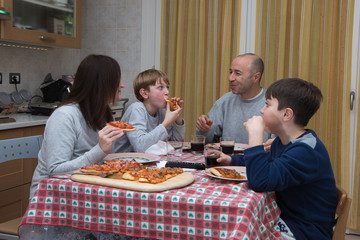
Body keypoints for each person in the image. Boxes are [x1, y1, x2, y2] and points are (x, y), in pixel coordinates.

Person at [215, 78, 337, 239]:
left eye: (267, 104)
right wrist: (231, 161)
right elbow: (268, 162)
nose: (261, 110)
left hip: (304, 230)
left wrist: (255, 135)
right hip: (288, 219)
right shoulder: (285, 141)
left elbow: (259, 181)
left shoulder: (306, 151)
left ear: (286, 114)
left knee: (238, 230)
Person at [30, 55, 125, 199]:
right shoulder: (64, 116)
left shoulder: (105, 113)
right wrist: (99, 151)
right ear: (101, 83)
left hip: (89, 186)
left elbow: (102, 160)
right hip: (52, 195)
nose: (122, 85)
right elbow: (55, 170)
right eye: (117, 79)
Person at [196, 53, 272, 144]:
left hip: (259, 157)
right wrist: (204, 130)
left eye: (237, 73)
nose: (230, 78)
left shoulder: (272, 104)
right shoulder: (224, 102)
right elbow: (208, 142)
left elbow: (276, 147)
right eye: (230, 72)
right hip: (227, 157)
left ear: (256, 77)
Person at [114, 69, 185, 152]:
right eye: (161, 87)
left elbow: (177, 143)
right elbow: (139, 146)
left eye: (167, 87)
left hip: (144, 160)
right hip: (121, 160)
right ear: (144, 93)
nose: (167, 92)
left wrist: (178, 118)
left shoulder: (160, 112)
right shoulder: (136, 109)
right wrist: (166, 123)